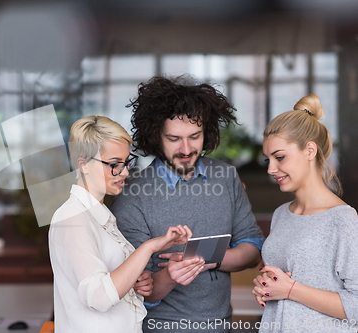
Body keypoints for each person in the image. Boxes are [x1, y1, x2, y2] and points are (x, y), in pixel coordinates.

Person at [110, 76, 264, 332]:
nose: (185, 149)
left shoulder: (226, 177)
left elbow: (253, 248)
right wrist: (173, 273)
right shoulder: (132, 195)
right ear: (155, 136)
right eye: (173, 139)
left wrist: (203, 258)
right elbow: (136, 292)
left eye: (195, 136)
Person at [48, 115, 193, 333]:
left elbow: (110, 284)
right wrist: (149, 247)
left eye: (127, 162)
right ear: (84, 165)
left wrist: (134, 282)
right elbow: (98, 297)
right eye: (115, 164)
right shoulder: (72, 218)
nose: (125, 172)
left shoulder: (100, 215)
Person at [252, 94, 358, 332]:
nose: (271, 168)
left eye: (279, 157)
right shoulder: (281, 214)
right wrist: (266, 285)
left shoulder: (343, 219)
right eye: (268, 159)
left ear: (310, 150)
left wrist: (290, 290)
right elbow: (282, 282)